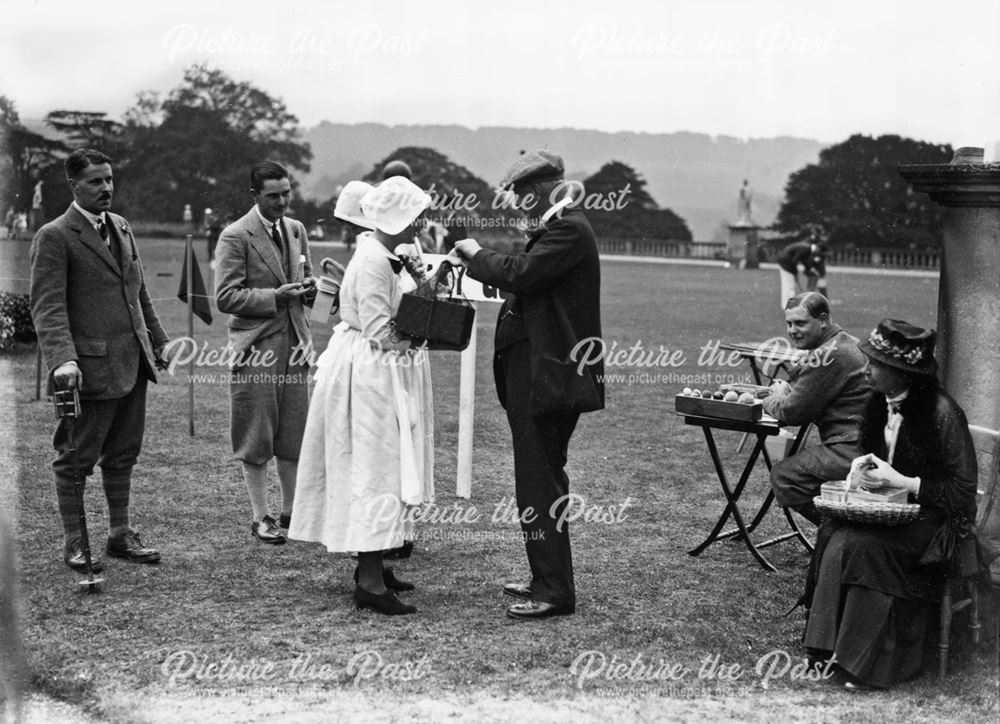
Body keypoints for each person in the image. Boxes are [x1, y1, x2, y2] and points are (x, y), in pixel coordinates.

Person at [450, 150, 604, 620]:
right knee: (539, 481)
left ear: (536, 191)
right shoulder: (561, 228)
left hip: (549, 380)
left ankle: (555, 589)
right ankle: (544, 577)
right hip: (541, 378)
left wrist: (475, 255)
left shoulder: (568, 230)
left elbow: (522, 274)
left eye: (520, 195)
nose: (518, 204)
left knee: (539, 485)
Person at [804, 319, 977, 691]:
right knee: (836, 534)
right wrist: (864, 470)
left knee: (865, 547)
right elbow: (879, 459)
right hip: (893, 514)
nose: (865, 369)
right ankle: (825, 649)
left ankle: (868, 666)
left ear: (901, 373)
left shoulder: (942, 414)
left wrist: (905, 483)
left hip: (934, 527)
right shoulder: (878, 405)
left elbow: (962, 495)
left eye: (874, 364)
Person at [290, 176, 434, 616]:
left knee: (385, 466)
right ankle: (369, 580)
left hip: (385, 370)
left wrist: (423, 289)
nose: (421, 226)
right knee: (374, 468)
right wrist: (423, 332)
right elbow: (379, 330)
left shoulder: (391, 253)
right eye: (416, 217)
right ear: (397, 217)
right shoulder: (372, 259)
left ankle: (375, 564)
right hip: (370, 372)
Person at [29, 148, 169, 571]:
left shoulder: (121, 226)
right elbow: (47, 306)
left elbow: (138, 290)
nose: (106, 188)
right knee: (75, 458)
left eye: (109, 179)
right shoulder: (55, 235)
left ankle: (120, 534)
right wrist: (62, 361)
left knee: (124, 453)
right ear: (74, 185)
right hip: (86, 370)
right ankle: (75, 541)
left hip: (133, 362)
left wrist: (158, 341)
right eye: (95, 181)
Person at [215, 160, 316, 545]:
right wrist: (275, 296)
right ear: (255, 195)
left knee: (293, 431)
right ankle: (261, 516)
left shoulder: (296, 230)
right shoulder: (235, 235)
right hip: (256, 346)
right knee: (257, 433)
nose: (282, 202)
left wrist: (309, 290)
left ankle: (293, 510)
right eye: (273, 196)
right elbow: (226, 296)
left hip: (295, 342)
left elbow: (303, 283)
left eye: (286, 193)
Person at [762, 292, 870, 525]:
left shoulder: (828, 354)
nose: (792, 331)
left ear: (822, 320)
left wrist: (770, 398)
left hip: (851, 448)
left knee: (784, 477)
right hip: (868, 441)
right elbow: (816, 388)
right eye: (789, 324)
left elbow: (791, 413)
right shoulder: (843, 341)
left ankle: (838, 533)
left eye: (800, 323)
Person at [777, 239, 828, 307]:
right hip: (785, 263)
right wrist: (795, 273)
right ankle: (788, 305)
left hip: (785, 263)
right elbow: (795, 260)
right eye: (819, 251)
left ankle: (788, 304)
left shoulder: (807, 249)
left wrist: (812, 270)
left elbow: (804, 261)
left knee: (788, 285)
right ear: (818, 249)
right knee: (789, 286)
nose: (817, 253)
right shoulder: (806, 249)